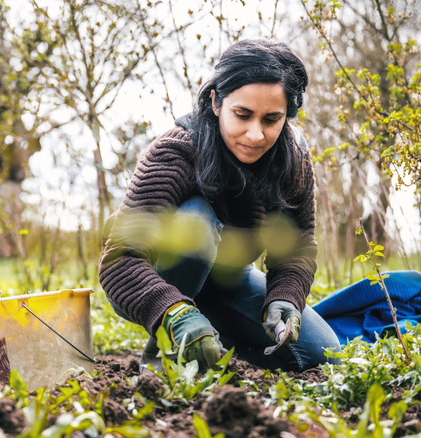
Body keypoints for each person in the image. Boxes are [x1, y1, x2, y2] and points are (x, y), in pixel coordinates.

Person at [99, 39, 341, 372]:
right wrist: (173, 311)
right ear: (216, 102)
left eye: (272, 119)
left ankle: (209, 340)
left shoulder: (293, 160)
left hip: (228, 280)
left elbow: (297, 246)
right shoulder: (177, 151)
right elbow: (120, 259)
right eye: (242, 115)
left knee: (319, 352)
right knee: (195, 224)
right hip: (149, 276)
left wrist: (285, 296)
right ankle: (164, 351)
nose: (255, 134)